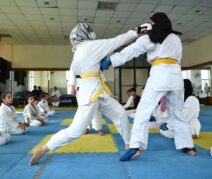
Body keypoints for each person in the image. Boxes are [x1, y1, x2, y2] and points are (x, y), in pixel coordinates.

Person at [29, 22, 144, 165]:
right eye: (89, 31)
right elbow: (117, 41)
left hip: (97, 91)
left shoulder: (79, 51)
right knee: (76, 131)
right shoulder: (90, 47)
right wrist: (136, 31)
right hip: (90, 94)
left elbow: (73, 70)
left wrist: (72, 85)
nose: (92, 34)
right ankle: (43, 148)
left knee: (120, 113)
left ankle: (130, 145)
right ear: (84, 35)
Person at [101, 12, 196, 161]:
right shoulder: (175, 38)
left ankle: (135, 146)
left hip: (159, 75)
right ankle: (188, 146)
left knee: (143, 112)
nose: (149, 25)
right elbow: (176, 58)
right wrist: (154, 54)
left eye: (151, 22)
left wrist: (111, 60)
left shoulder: (149, 38)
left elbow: (130, 51)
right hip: (176, 77)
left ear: (155, 24)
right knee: (177, 114)